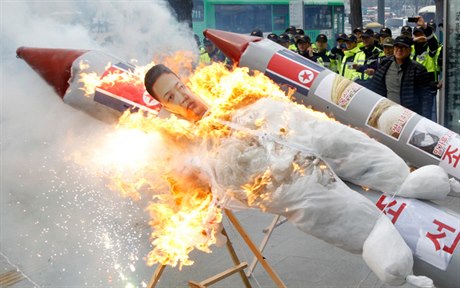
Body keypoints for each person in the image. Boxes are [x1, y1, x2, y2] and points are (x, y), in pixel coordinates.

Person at [144, 63, 455, 287]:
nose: (181, 97)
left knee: (369, 157)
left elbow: (312, 125)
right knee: (353, 222)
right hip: (297, 187)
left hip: (314, 139)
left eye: (180, 87)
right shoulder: (200, 150)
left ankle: (422, 182)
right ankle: (396, 267)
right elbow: (216, 193)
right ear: (166, 108)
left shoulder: (238, 96)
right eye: (171, 97)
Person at [367, 36, 433, 119]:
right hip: (387, 114)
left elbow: (426, 97)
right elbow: (375, 88)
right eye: (397, 47)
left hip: (409, 117)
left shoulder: (418, 69)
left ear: (410, 50)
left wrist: (425, 120)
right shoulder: (384, 65)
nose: (399, 50)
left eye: (403, 47)